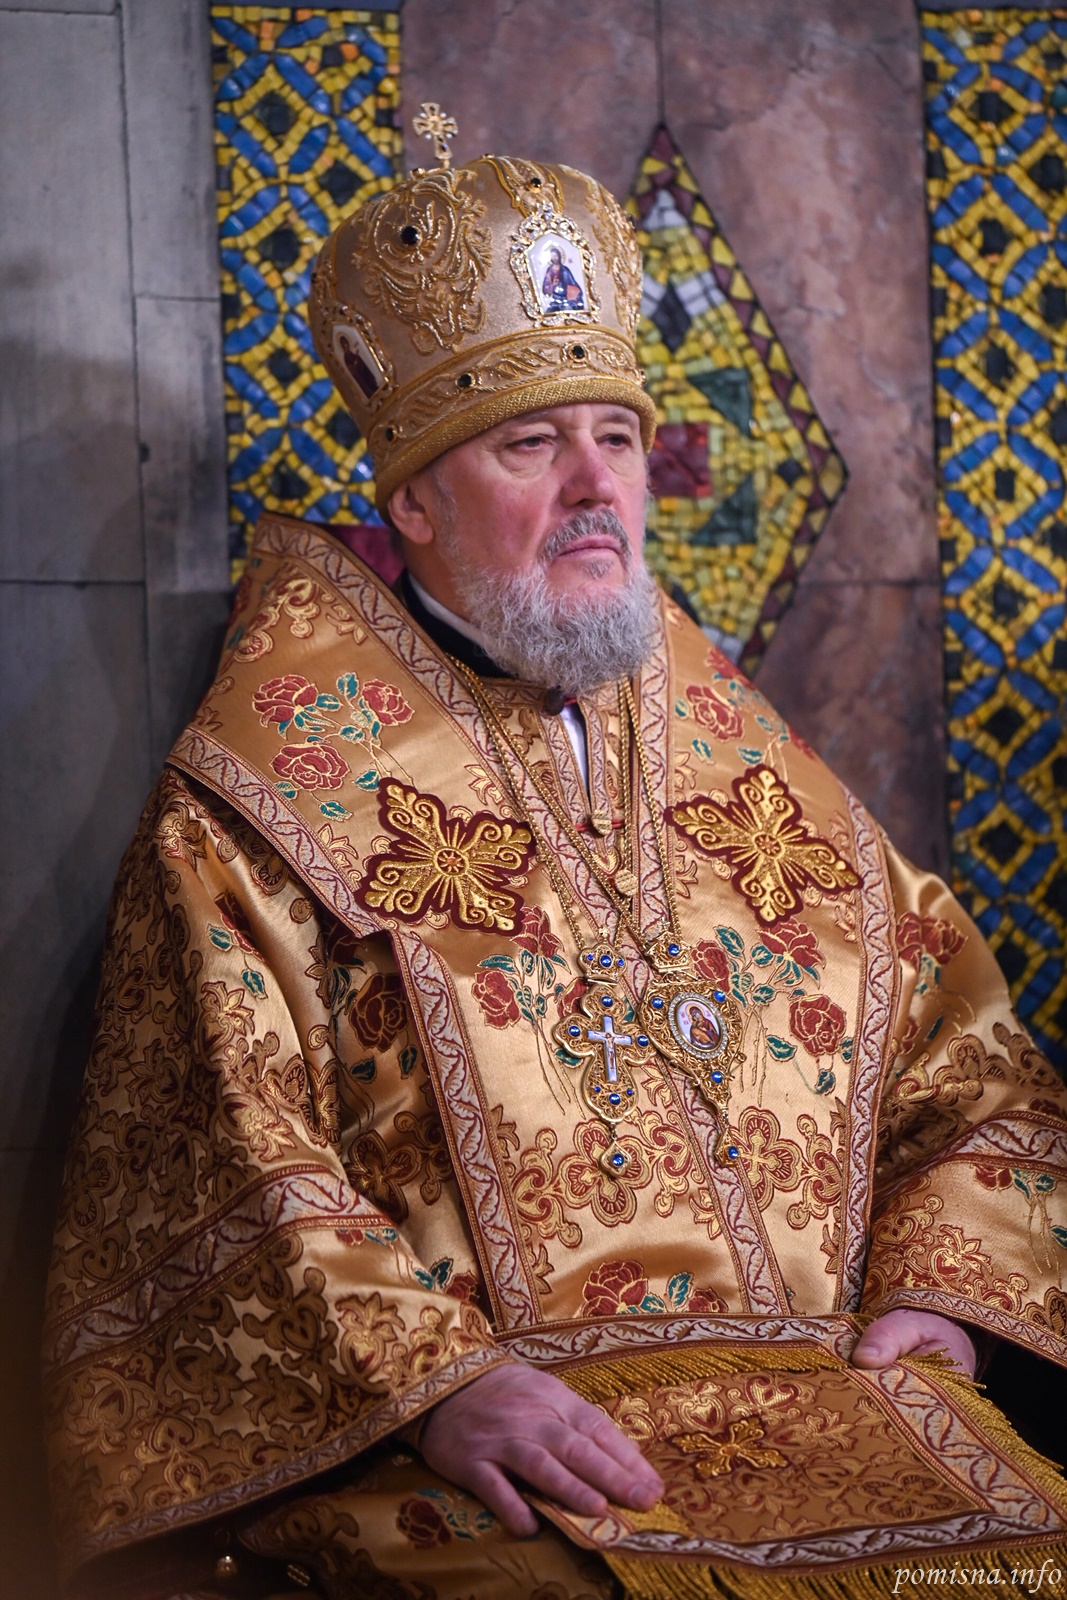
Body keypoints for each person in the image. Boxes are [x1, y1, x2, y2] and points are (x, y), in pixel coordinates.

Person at [43, 149, 1067, 1600]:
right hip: (489, 1443)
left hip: (841, 1389)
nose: (598, 487)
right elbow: (220, 1143)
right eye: (531, 446)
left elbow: (969, 1066)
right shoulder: (266, 793)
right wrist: (437, 1387)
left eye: (618, 438)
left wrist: (944, 1301)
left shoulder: (741, 751)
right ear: (413, 501)